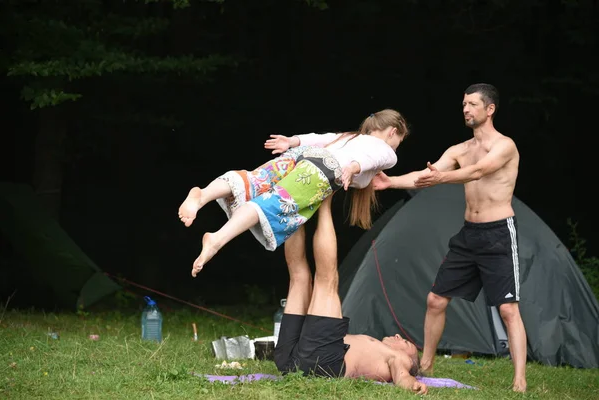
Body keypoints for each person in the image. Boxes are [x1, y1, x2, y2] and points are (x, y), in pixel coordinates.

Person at [372, 83, 527, 392]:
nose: (466, 109)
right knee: (435, 299)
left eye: (472, 104)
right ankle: (427, 365)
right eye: (463, 105)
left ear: (489, 109)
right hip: (470, 234)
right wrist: (390, 183)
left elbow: (480, 171)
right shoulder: (460, 150)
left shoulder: (504, 146)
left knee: (508, 310)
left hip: (498, 233)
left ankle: (520, 380)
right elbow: (425, 175)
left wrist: (442, 177)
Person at [177, 109, 410, 277]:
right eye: (399, 140)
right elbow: (374, 158)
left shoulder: (350, 137)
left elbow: (319, 139)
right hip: (323, 170)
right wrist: (354, 167)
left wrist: (291, 141)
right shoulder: (387, 151)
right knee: (270, 204)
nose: (396, 146)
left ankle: (203, 195)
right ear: (393, 132)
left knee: (253, 180)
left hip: (304, 154)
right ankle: (217, 239)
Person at [274, 194, 428, 395]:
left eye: (406, 343)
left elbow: (402, 375)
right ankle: (295, 204)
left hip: (321, 363)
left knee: (326, 280)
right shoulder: (376, 348)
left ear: (410, 359)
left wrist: (412, 384)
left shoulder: (399, 359)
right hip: (292, 361)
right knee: (299, 278)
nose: (399, 336)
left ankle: (324, 199)